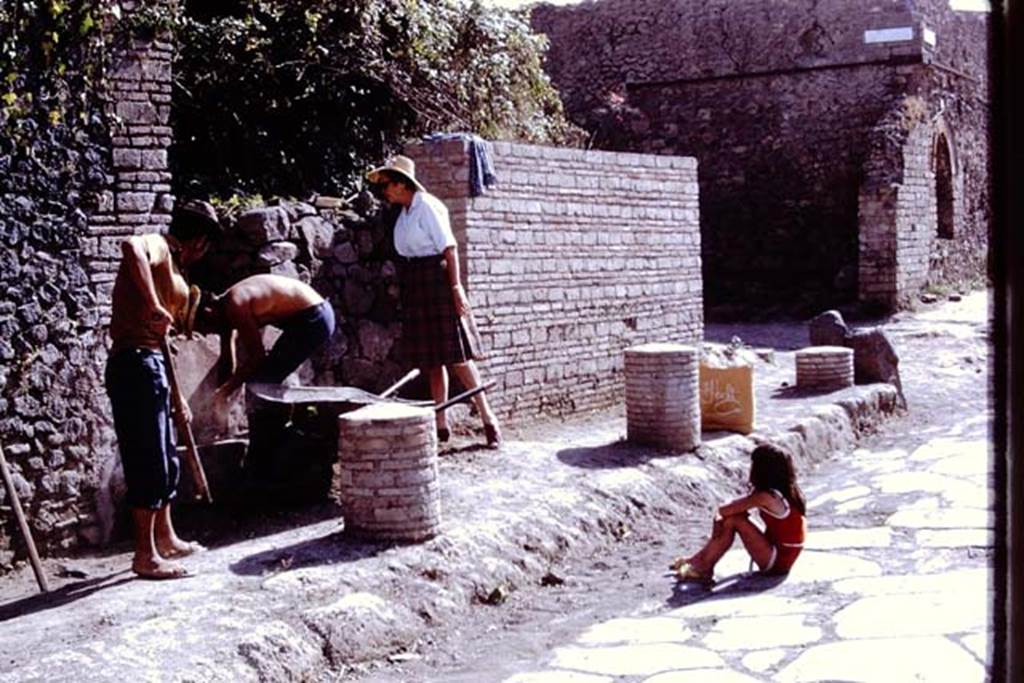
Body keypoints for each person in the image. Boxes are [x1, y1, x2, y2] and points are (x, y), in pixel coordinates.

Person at [105, 199, 221, 580]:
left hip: (154, 365)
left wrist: (176, 395)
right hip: (134, 364)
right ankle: (145, 555)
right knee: (148, 459)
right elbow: (130, 246)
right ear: (199, 241)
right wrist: (155, 304)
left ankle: (166, 537)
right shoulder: (157, 245)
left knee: (166, 456)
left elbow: (165, 340)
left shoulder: (174, 268)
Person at [367, 155, 503, 448]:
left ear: (402, 184)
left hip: (437, 280)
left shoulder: (428, 206)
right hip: (416, 283)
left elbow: (449, 249)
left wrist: (455, 288)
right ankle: (440, 423)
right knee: (432, 359)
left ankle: (489, 418)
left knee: (457, 357)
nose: (385, 192)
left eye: (388, 185)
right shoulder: (403, 213)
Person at [192, 273, 335, 406]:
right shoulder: (225, 313)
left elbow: (257, 356)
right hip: (311, 317)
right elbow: (227, 360)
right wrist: (217, 395)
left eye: (206, 329)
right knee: (263, 380)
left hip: (315, 318)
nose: (208, 334)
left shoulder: (236, 304)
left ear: (209, 313)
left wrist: (224, 392)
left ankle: (270, 429)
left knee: (261, 383)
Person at [670, 444, 807, 582]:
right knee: (734, 517)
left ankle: (704, 567)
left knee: (733, 520)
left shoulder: (766, 496)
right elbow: (734, 507)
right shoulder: (785, 490)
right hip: (783, 554)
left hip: (778, 560)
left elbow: (724, 509)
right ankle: (698, 561)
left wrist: (718, 523)